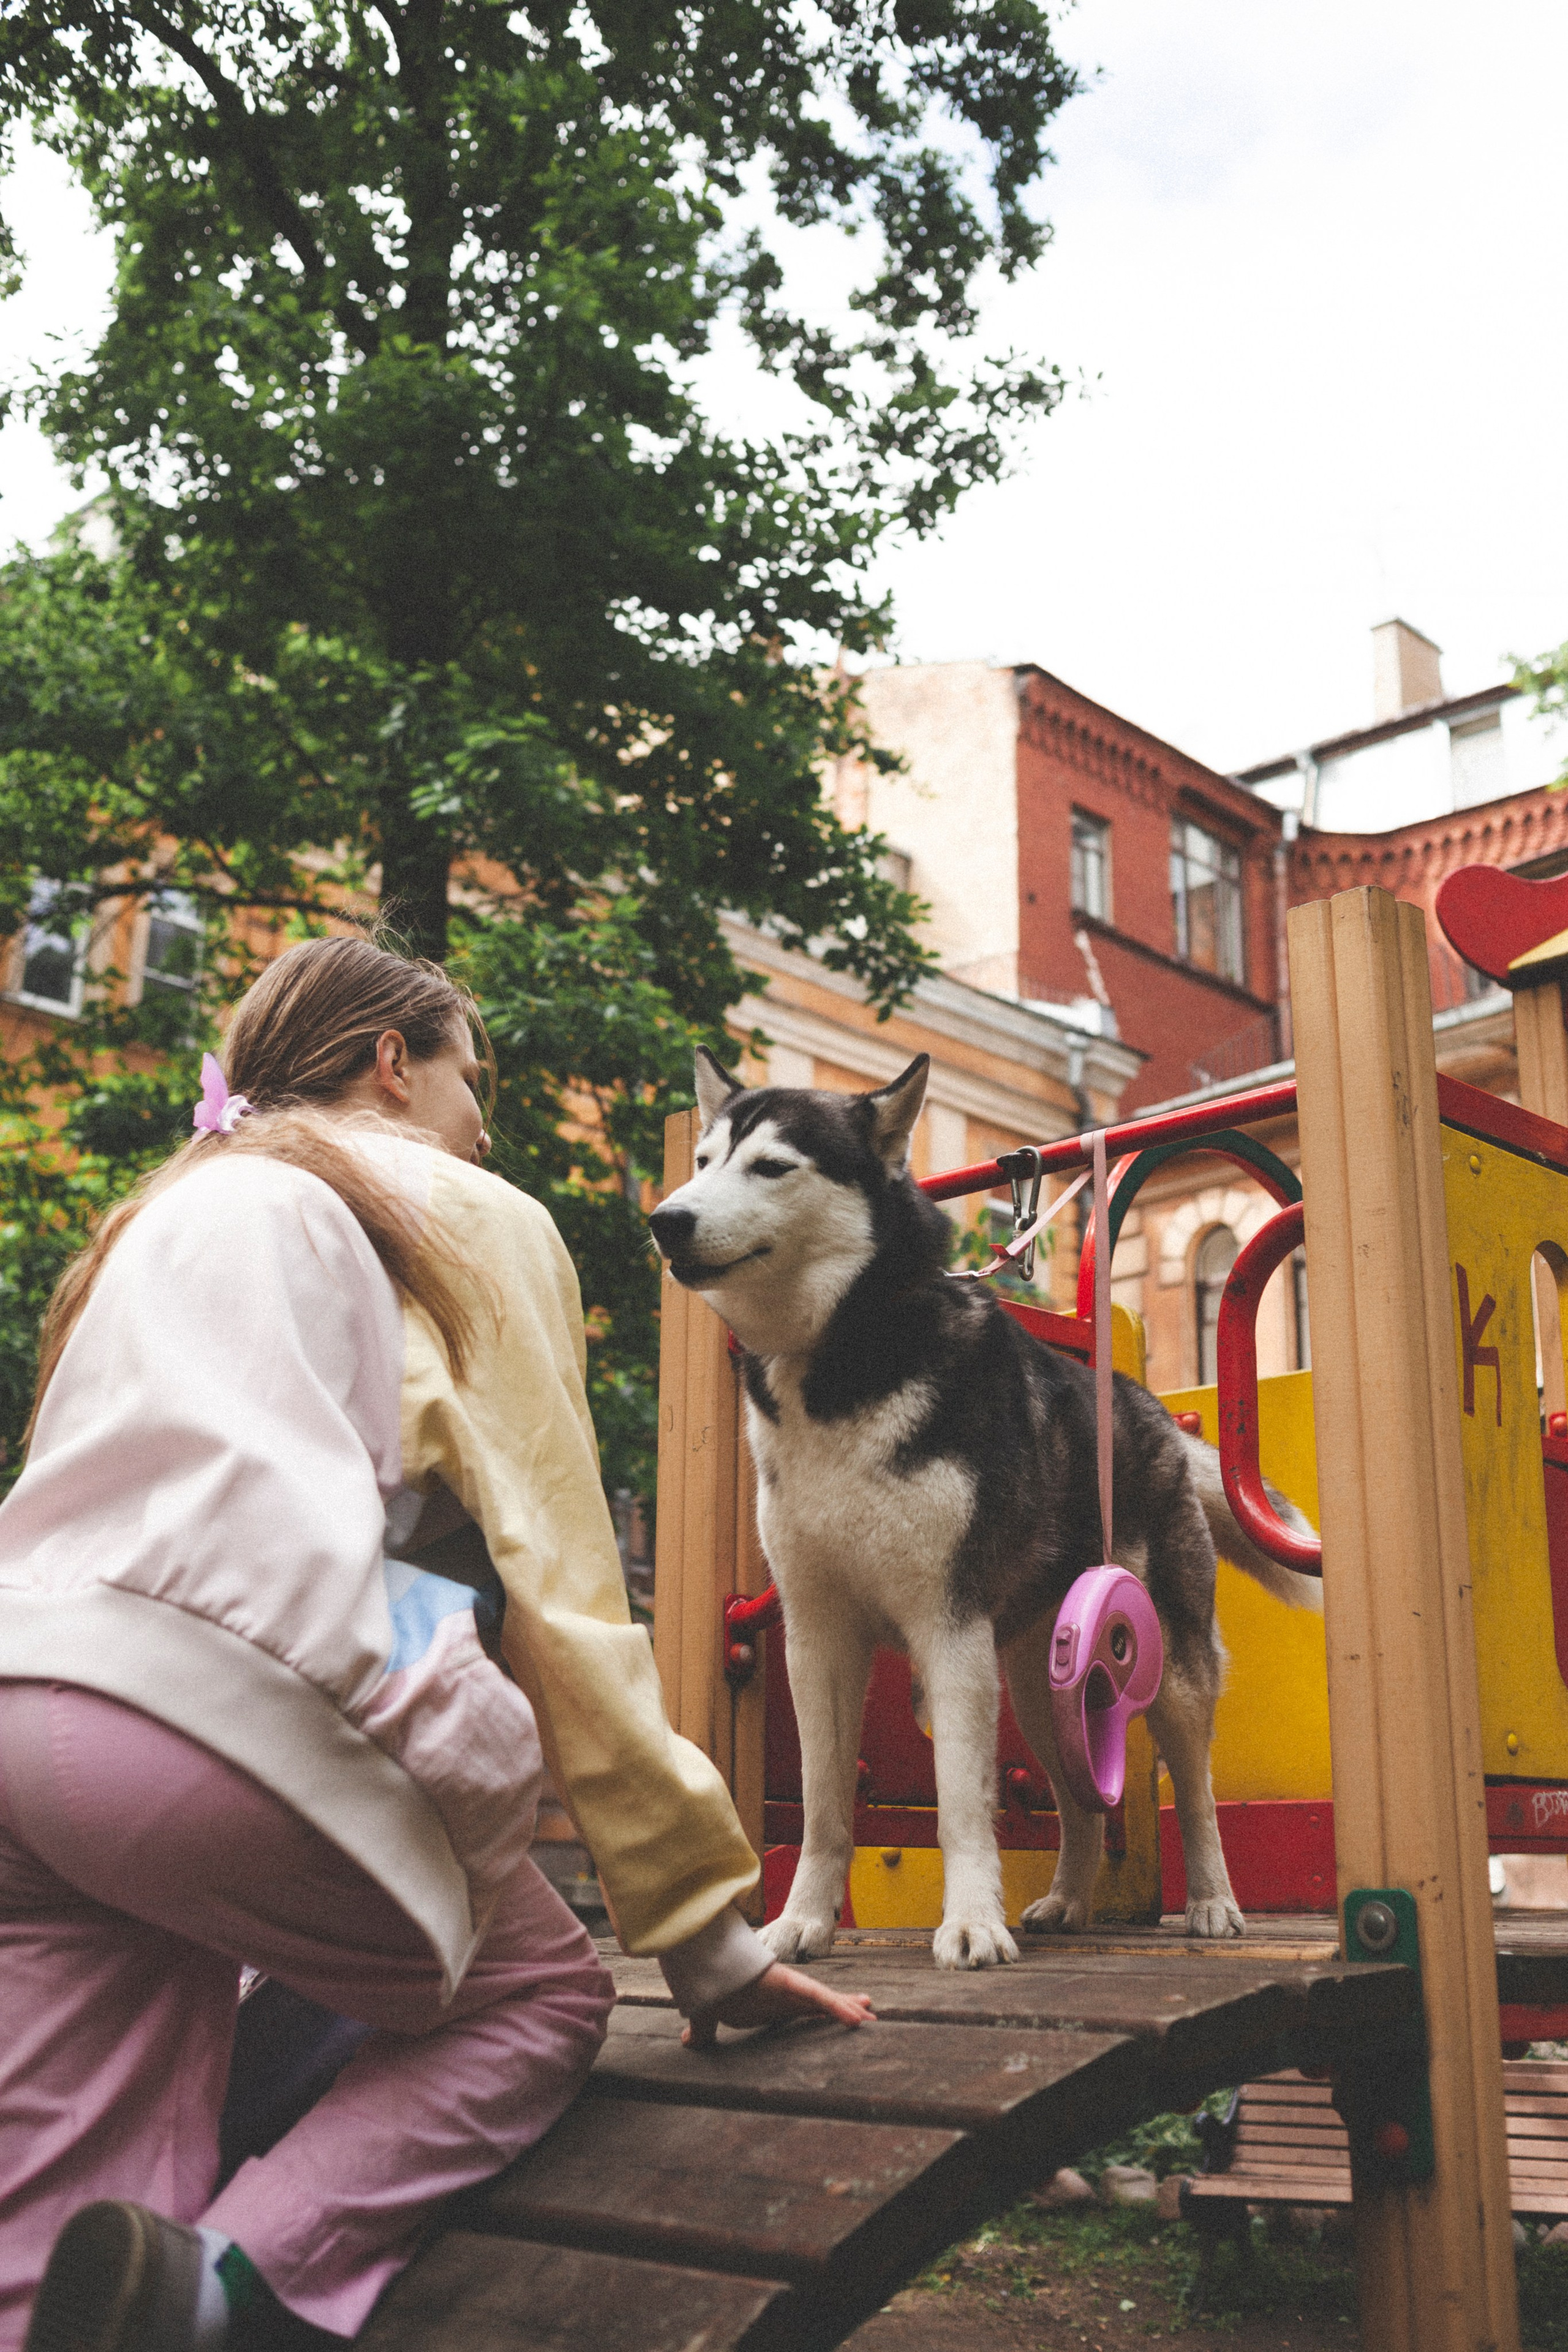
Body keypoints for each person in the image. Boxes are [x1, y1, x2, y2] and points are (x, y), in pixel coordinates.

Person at [0, 936, 870, 2352]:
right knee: (530, 1996)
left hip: (23, 1709)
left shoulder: (157, 1218)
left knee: (76, 2122)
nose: (487, 1116)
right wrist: (704, 1942)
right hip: (202, 1716)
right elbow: (559, 1574)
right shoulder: (453, 1206)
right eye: (475, 1073)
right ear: (391, 1065)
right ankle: (232, 2288)